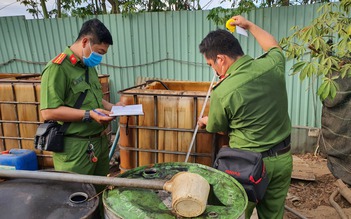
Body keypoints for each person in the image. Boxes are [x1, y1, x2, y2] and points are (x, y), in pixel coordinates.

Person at [198, 15, 292, 219]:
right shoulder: (272, 65)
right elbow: (273, 45)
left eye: (210, 64)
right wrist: (249, 25)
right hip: (283, 159)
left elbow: (218, 127)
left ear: (221, 59)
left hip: (246, 166)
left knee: (235, 212)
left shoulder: (224, 91)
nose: (213, 69)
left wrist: (205, 121)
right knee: (273, 214)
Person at [40, 18, 122, 218]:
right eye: (99, 53)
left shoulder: (88, 67)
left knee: (99, 193)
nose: (99, 58)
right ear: (85, 42)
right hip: (74, 149)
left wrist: (114, 107)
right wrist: (88, 115)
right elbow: (48, 111)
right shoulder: (57, 68)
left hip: (98, 144)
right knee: (76, 201)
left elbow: (94, 99)